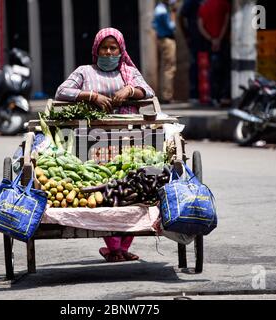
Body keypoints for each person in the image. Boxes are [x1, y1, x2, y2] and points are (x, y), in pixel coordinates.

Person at [55, 27, 155, 262]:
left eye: (114, 48)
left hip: (129, 141)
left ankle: (119, 247)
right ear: (96, 49)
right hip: (92, 142)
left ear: (121, 51)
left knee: (129, 191)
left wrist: (130, 89)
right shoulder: (84, 72)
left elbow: (148, 90)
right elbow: (62, 91)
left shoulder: (129, 72)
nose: (109, 53)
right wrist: (91, 96)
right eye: (104, 48)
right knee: (104, 190)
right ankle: (114, 246)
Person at [197, 0, 231, 107]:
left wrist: (211, 39)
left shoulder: (204, 6)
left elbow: (200, 25)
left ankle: (213, 97)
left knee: (212, 70)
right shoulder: (224, 4)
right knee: (225, 70)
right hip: (222, 42)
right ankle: (223, 96)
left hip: (209, 43)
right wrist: (219, 39)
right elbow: (226, 22)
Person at [178, 0, 205, 104]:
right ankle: (194, 94)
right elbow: (180, 17)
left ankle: (208, 95)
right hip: (195, 39)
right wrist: (186, 35)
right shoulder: (190, 2)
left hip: (206, 39)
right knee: (195, 65)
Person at [152, 0, 177, 104]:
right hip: (167, 39)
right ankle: (167, 95)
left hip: (162, 39)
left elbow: (153, 24)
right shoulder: (163, 11)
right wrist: (173, 15)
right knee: (169, 67)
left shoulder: (158, 9)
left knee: (165, 67)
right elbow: (171, 27)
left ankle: (164, 94)